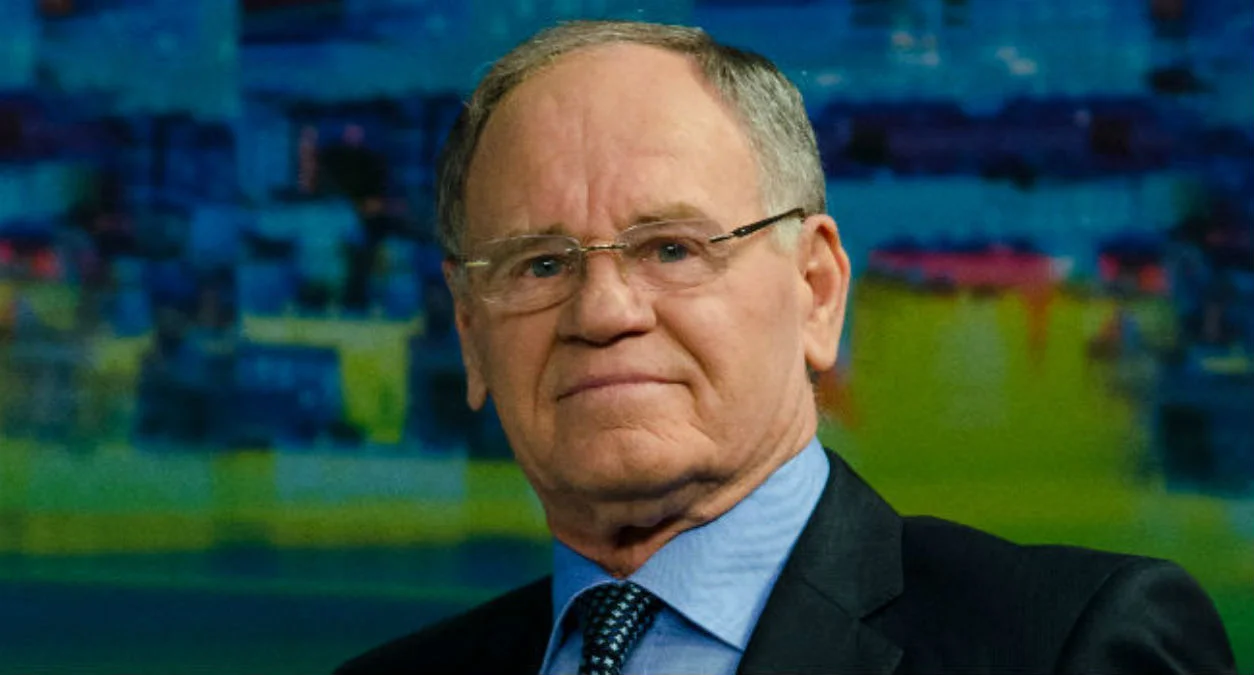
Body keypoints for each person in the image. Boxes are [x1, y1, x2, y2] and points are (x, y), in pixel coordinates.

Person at [336, 20, 1236, 675]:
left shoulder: (1066, 646)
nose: (604, 311)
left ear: (816, 290)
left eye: (672, 249)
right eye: (539, 263)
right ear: (470, 331)